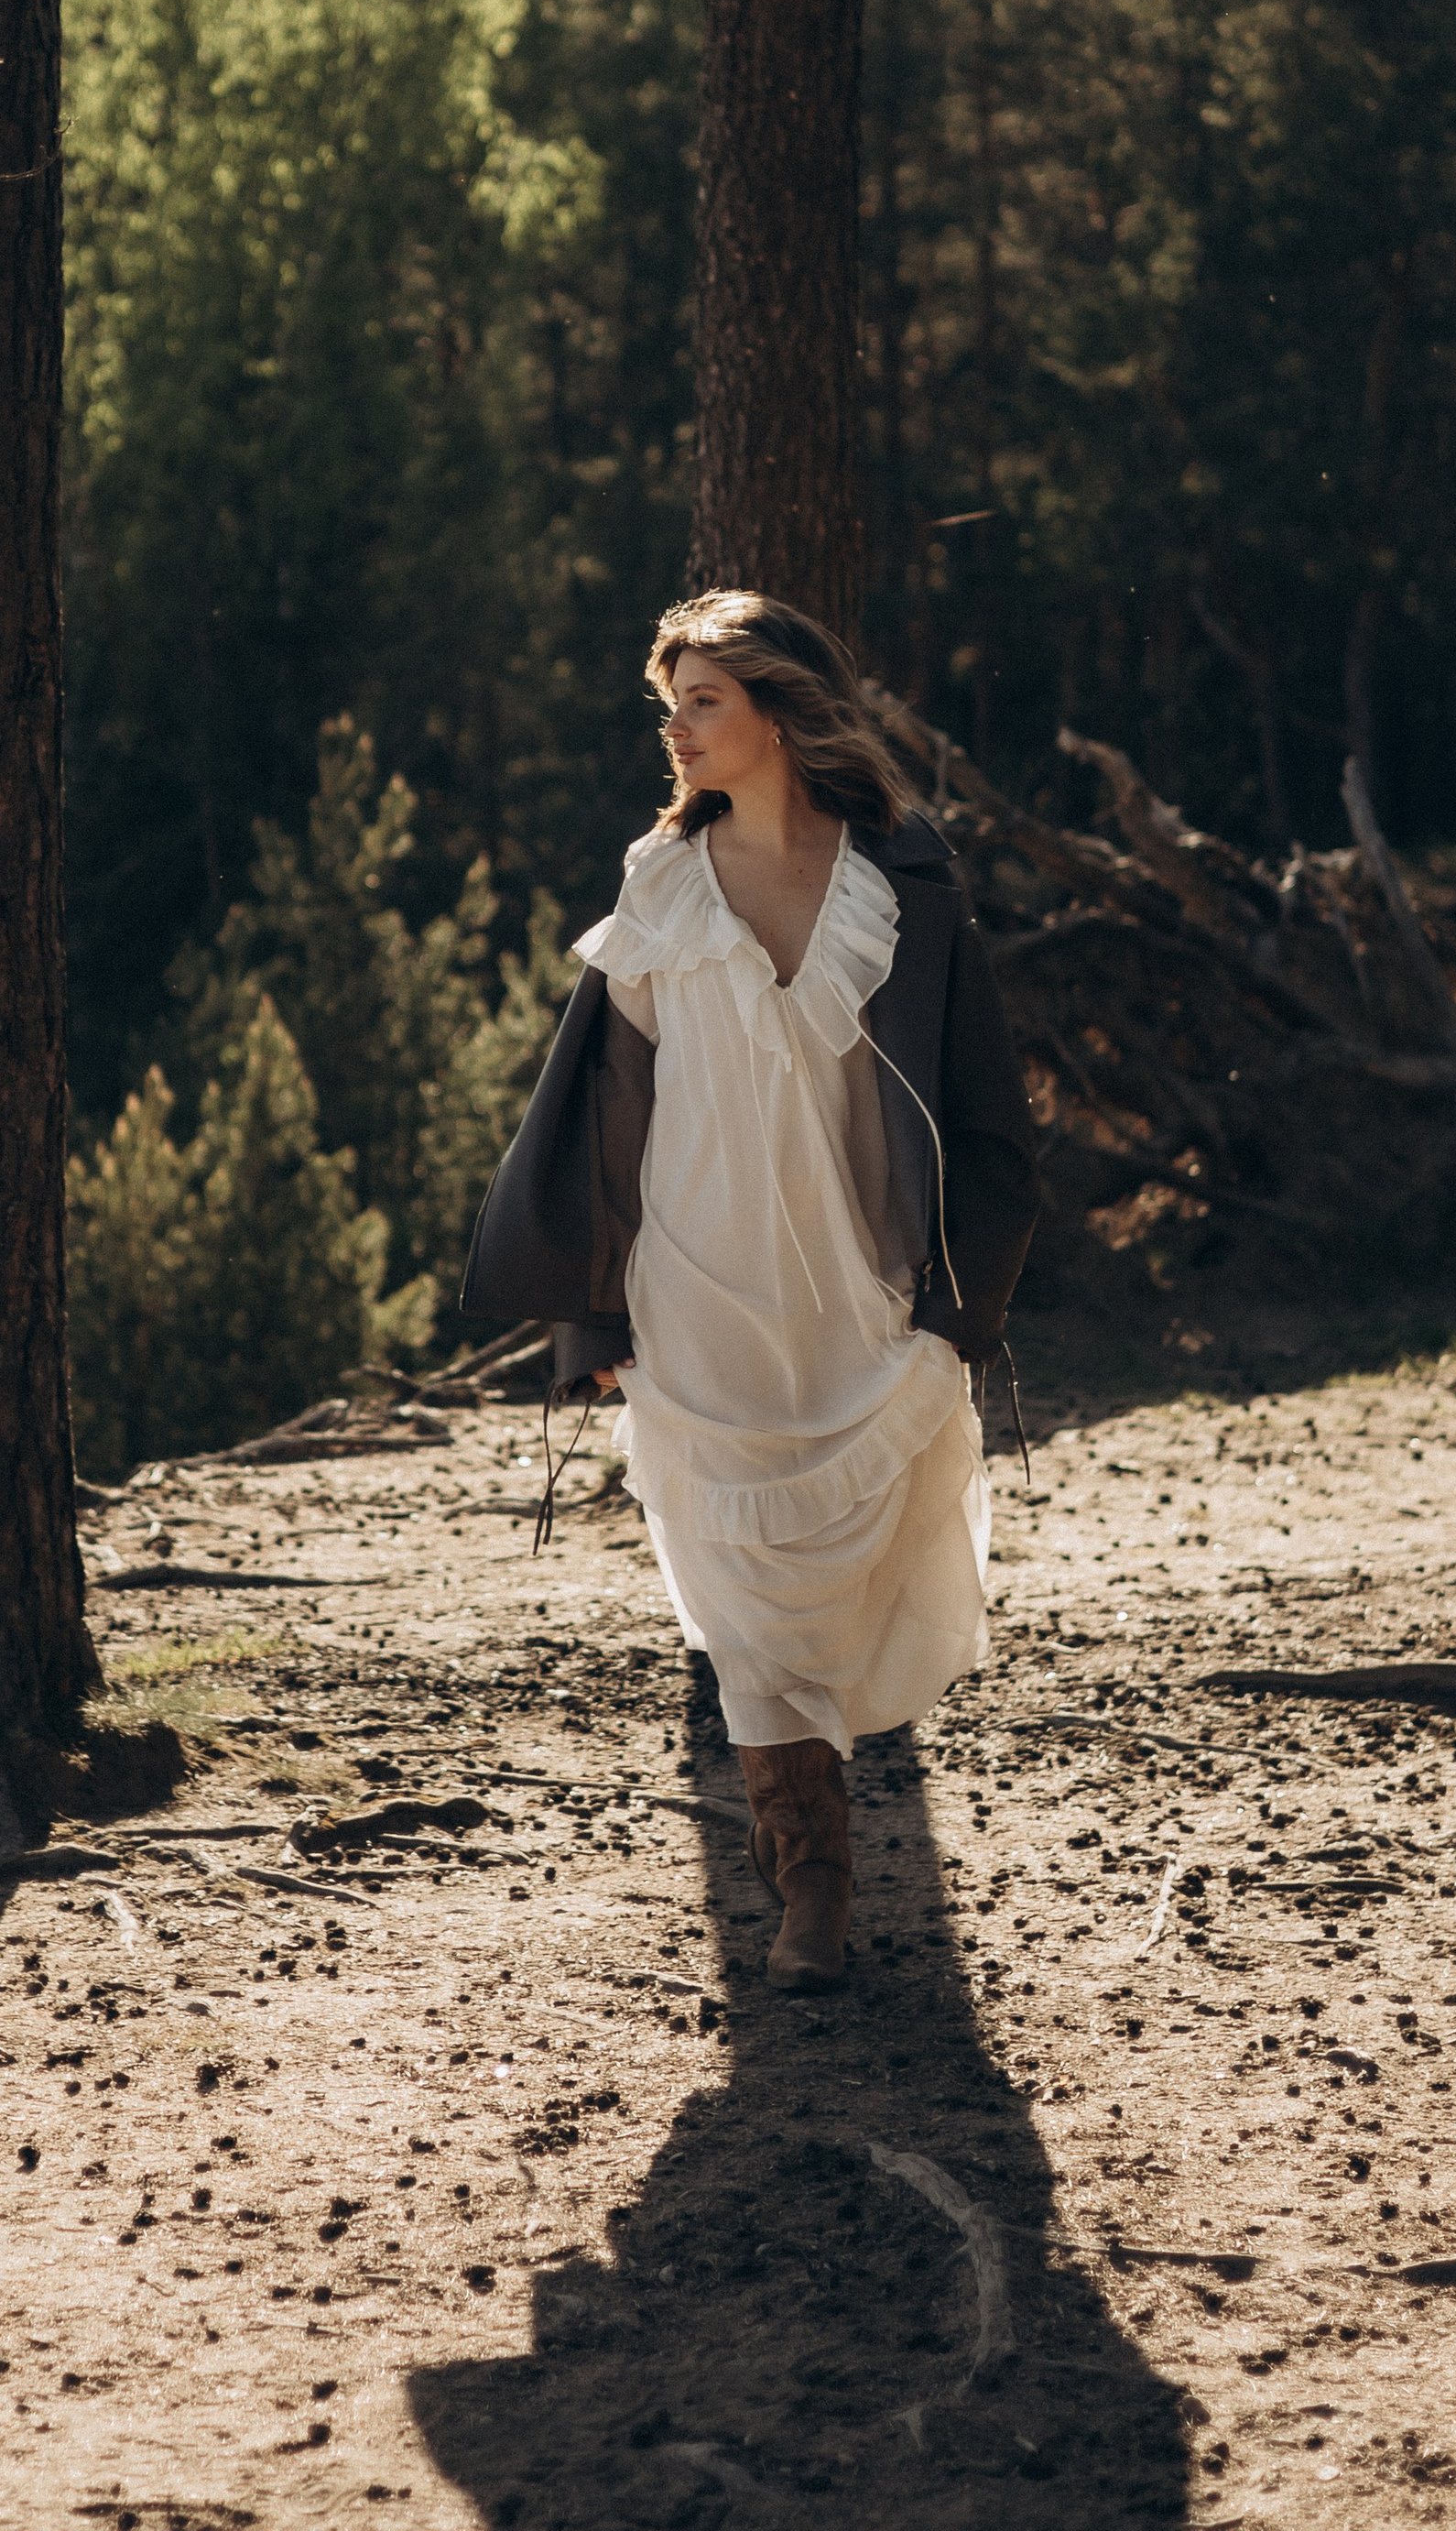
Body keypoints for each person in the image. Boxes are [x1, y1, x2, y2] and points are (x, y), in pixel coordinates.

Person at [460, 591, 1039, 1991]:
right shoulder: (661, 881)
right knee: (735, 1596)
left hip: (857, 1283)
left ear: (779, 710)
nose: (675, 727)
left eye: (702, 701)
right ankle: (810, 1882)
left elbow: (982, 1106)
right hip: (693, 1284)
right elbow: (611, 1107)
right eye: (670, 704)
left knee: (845, 1567)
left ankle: (823, 1833)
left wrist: (965, 1300)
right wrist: (594, 1311)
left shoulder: (901, 879)